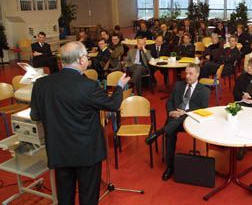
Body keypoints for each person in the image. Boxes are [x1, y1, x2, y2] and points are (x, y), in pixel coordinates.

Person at [30, 41, 130, 205]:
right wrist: (119, 86)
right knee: (88, 196)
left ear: (62, 61)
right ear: (81, 60)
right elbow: (112, 105)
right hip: (87, 152)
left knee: (64, 197)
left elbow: (35, 115)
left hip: (59, 151)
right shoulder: (89, 86)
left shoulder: (41, 84)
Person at [145, 64, 210, 180]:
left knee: (172, 126)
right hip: (174, 118)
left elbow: (203, 110)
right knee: (170, 133)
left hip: (191, 120)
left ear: (197, 74)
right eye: (186, 73)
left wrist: (185, 113)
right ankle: (170, 166)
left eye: (191, 74)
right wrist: (171, 112)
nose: (187, 76)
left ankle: (159, 132)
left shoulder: (204, 90)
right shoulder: (178, 85)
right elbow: (169, 101)